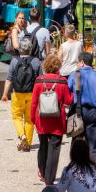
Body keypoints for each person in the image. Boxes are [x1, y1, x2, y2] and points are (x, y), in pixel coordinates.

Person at [31, 53, 73, 184]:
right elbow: (68, 101)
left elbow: (34, 102)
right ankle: (50, 178)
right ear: (58, 66)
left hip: (41, 120)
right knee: (54, 149)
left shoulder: (38, 80)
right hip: (57, 120)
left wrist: (33, 119)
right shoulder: (62, 81)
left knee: (43, 146)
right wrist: (74, 94)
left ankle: (42, 172)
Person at [2, 38, 42, 152]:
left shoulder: (14, 61)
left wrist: (5, 94)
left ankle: (22, 136)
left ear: (19, 49)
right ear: (31, 49)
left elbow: (9, 79)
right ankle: (27, 144)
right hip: (32, 94)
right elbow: (40, 79)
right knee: (30, 120)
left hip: (17, 93)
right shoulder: (36, 61)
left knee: (17, 117)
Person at [67, 52, 96, 161]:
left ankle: (75, 167)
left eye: (78, 62)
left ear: (82, 62)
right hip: (93, 112)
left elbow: (68, 91)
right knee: (92, 144)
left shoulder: (74, 75)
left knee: (76, 142)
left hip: (78, 111)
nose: (77, 65)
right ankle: (90, 171)